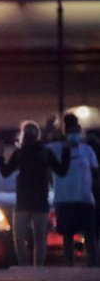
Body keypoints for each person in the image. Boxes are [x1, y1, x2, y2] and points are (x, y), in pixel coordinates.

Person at [0, 120, 70, 266]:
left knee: (36, 238)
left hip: (36, 202)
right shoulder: (22, 153)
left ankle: (36, 268)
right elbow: (5, 172)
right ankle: (28, 267)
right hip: (25, 202)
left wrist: (66, 151)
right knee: (27, 237)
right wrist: (0, 157)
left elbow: (61, 171)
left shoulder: (43, 152)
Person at [47, 113, 99, 266]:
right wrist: (48, 131)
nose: (74, 136)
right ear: (65, 134)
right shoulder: (55, 149)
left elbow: (95, 172)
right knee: (68, 236)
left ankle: (92, 264)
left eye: (77, 132)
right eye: (71, 133)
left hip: (85, 199)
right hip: (64, 200)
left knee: (89, 234)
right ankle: (70, 266)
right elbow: (42, 151)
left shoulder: (87, 150)